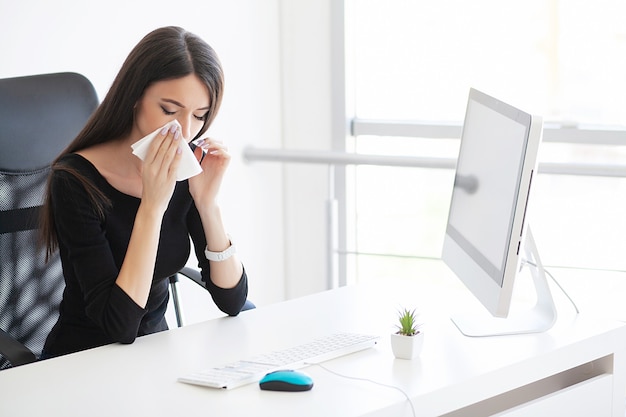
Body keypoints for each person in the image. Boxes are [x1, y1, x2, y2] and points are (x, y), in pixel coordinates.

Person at [40, 26, 248, 358]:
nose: (185, 130)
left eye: (199, 115)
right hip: (82, 362)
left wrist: (207, 204)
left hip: (153, 361)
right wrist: (152, 206)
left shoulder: (183, 169)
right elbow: (119, 326)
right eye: (169, 110)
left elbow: (233, 299)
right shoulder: (75, 180)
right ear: (135, 97)